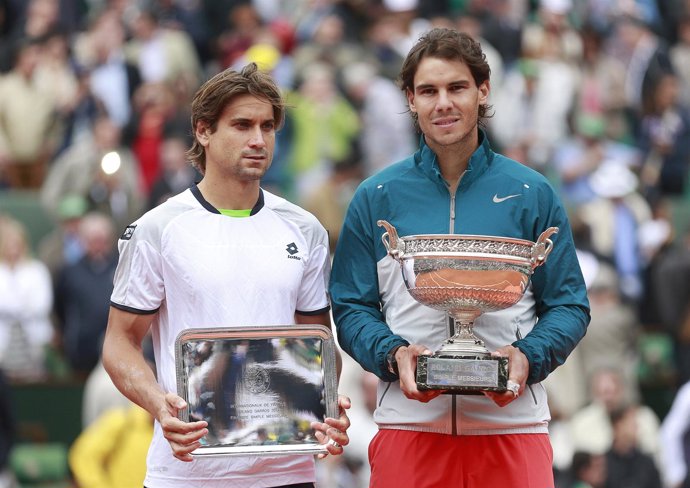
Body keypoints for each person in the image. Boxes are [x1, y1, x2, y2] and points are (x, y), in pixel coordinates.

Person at [329, 27, 590, 487]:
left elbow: (569, 305)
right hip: (409, 430)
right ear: (410, 99)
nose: (442, 103)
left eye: (456, 87)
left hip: (512, 430)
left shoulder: (531, 192)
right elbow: (351, 306)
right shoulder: (376, 197)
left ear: (483, 90)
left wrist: (527, 357)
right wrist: (393, 355)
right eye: (428, 91)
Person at [102, 62, 351, 488]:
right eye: (241, 125)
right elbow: (120, 341)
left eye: (267, 127)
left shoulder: (305, 228)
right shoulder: (158, 228)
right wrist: (162, 406)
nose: (258, 140)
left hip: (286, 470)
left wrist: (326, 401)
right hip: (187, 473)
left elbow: (317, 342)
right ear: (203, 131)